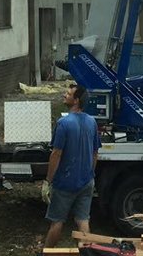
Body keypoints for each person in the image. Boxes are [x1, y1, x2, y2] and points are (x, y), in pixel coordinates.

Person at [43, 83, 101, 249]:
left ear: (76, 101)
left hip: (65, 183)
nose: (64, 95)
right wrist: (90, 174)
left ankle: (48, 252)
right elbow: (95, 153)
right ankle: (88, 252)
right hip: (86, 181)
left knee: (57, 222)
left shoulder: (64, 123)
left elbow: (56, 154)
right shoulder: (92, 122)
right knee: (83, 220)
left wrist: (48, 180)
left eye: (68, 94)